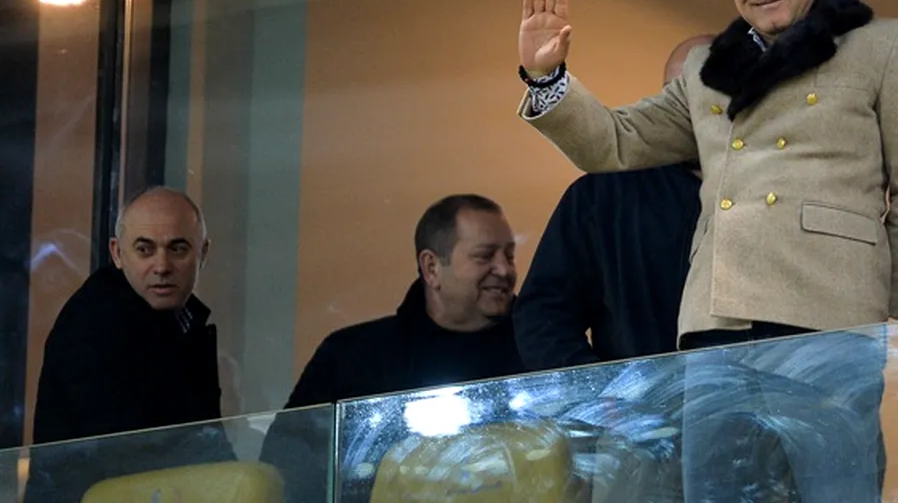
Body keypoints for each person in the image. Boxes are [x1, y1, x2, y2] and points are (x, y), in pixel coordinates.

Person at [513, 0, 898, 501]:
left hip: (828, 327)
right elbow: (615, 142)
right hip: (714, 333)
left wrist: (875, 302)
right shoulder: (707, 70)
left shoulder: (885, 46)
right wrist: (548, 79)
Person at [260, 194, 526, 501]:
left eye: (509, 256)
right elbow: (285, 465)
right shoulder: (352, 356)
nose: (504, 270)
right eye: (485, 256)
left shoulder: (539, 356)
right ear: (432, 268)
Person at [514, 35, 711, 371]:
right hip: (635, 403)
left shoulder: (771, 187)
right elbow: (544, 317)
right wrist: (600, 391)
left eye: (703, 92)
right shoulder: (603, 195)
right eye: (673, 95)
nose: (686, 108)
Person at [28, 187, 233, 502]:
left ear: (203, 253)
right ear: (117, 254)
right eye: (145, 250)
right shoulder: (97, 324)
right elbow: (127, 456)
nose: (162, 266)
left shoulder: (179, 321)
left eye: (178, 249)